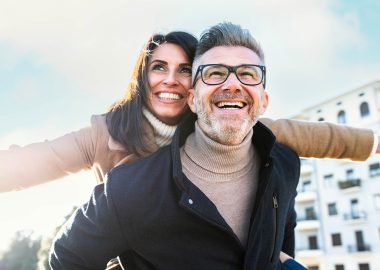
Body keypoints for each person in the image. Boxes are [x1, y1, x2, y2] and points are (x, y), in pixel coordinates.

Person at [48, 21, 325, 269]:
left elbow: (280, 247)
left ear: (263, 100)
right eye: (215, 73)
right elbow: (66, 258)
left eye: (248, 73)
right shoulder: (128, 189)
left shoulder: (285, 166)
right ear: (192, 99)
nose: (232, 84)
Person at [0, 32, 377, 193]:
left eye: (184, 69)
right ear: (142, 76)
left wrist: (375, 144)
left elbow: (309, 134)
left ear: (198, 83)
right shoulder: (105, 133)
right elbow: (34, 162)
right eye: (159, 67)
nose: (171, 80)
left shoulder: (213, 126)